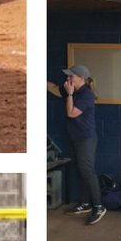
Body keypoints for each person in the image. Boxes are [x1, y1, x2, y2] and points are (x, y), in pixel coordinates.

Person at [48, 64, 105, 225]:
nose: (68, 79)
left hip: (86, 138)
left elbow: (71, 113)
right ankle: (85, 204)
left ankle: (99, 207)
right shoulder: (72, 90)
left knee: (88, 172)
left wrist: (70, 94)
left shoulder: (85, 94)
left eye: (71, 76)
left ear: (81, 78)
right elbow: (52, 88)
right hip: (76, 138)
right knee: (82, 171)